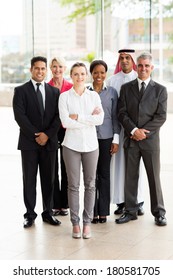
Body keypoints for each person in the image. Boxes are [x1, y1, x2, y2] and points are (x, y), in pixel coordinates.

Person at [116, 51, 167, 226]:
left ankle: (159, 212)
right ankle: (130, 211)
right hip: (131, 140)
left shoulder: (160, 90)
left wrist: (143, 132)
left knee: (154, 177)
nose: (143, 68)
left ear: (151, 68)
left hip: (150, 142)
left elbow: (161, 116)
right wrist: (134, 130)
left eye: (147, 65)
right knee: (130, 176)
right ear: (136, 67)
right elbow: (121, 113)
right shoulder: (126, 88)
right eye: (141, 65)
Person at [13, 56, 61, 228]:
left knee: (49, 180)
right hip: (28, 143)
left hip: (49, 143)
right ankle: (30, 214)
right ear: (31, 69)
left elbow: (58, 116)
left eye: (43, 68)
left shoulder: (54, 92)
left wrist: (47, 135)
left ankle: (48, 213)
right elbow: (20, 116)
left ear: (46, 70)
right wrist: (36, 135)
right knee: (29, 180)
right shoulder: (20, 91)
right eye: (37, 68)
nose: (40, 71)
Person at [58, 62, 104, 239]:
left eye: (82, 74)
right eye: (76, 74)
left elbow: (99, 120)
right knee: (73, 185)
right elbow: (65, 122)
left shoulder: (93, 96)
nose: (79, 77)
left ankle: (87, 222)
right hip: (71, 146)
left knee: (91, 185)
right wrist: (88, 119)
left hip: (91, 146)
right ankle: (75, 223)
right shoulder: (64, 97)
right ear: (71, 75)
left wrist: (78, 117)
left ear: (87, 76)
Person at [107, 49, 145, 216]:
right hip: (119, 131)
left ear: (132, 60)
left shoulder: (140, 77)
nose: (124, 61)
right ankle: (122, 201)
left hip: (136, 132)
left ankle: (138, 201)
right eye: (121, 58)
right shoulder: (112, 80)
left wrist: (136, 130)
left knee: (136, 168)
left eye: (127, 58)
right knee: (119, 167)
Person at [87, 60, 120, 224]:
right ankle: (92, 211)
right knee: (91, 176)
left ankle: (103, 212)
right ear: (91, 73)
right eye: (95, 72)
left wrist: (116, 139)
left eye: (102, 72)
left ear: (106, 73)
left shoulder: (112, 92)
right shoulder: (85, 92)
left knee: (104, 174)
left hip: (107, 138)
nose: (99, 75)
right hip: (89, 138)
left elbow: (115, 117)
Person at [48, 56, 73, 216]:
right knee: (51, 167)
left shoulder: (70, 87)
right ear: (51, 68)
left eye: (60, 67)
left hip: (67, 129)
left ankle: (65, 203)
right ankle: (54, 203)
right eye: (54, 66)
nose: (57, 70)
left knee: (66, 167)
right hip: (51, 130)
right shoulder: (46, 86)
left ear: (65, 69)